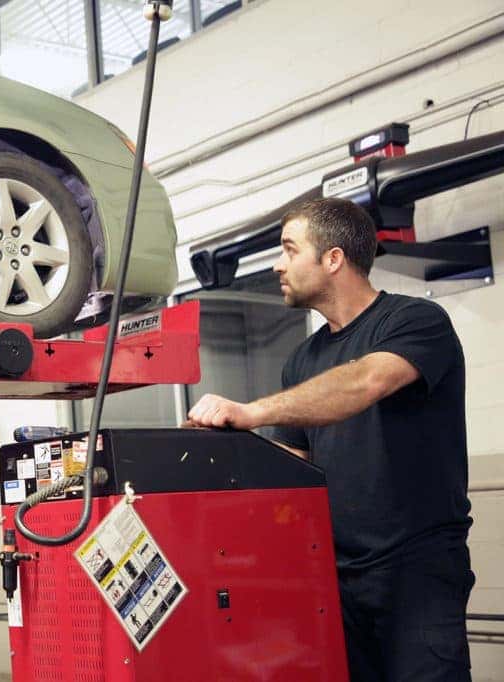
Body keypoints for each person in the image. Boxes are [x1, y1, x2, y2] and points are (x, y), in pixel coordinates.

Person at [184, 197, 474, 681]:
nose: (278, 264)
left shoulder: (414, 322)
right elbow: (292, 463)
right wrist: (213, 450)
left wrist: (252, 411)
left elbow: (366, 383)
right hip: (338, 577)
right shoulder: (302, 360)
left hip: (416, 572)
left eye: (289, 249)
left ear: (333, 258)